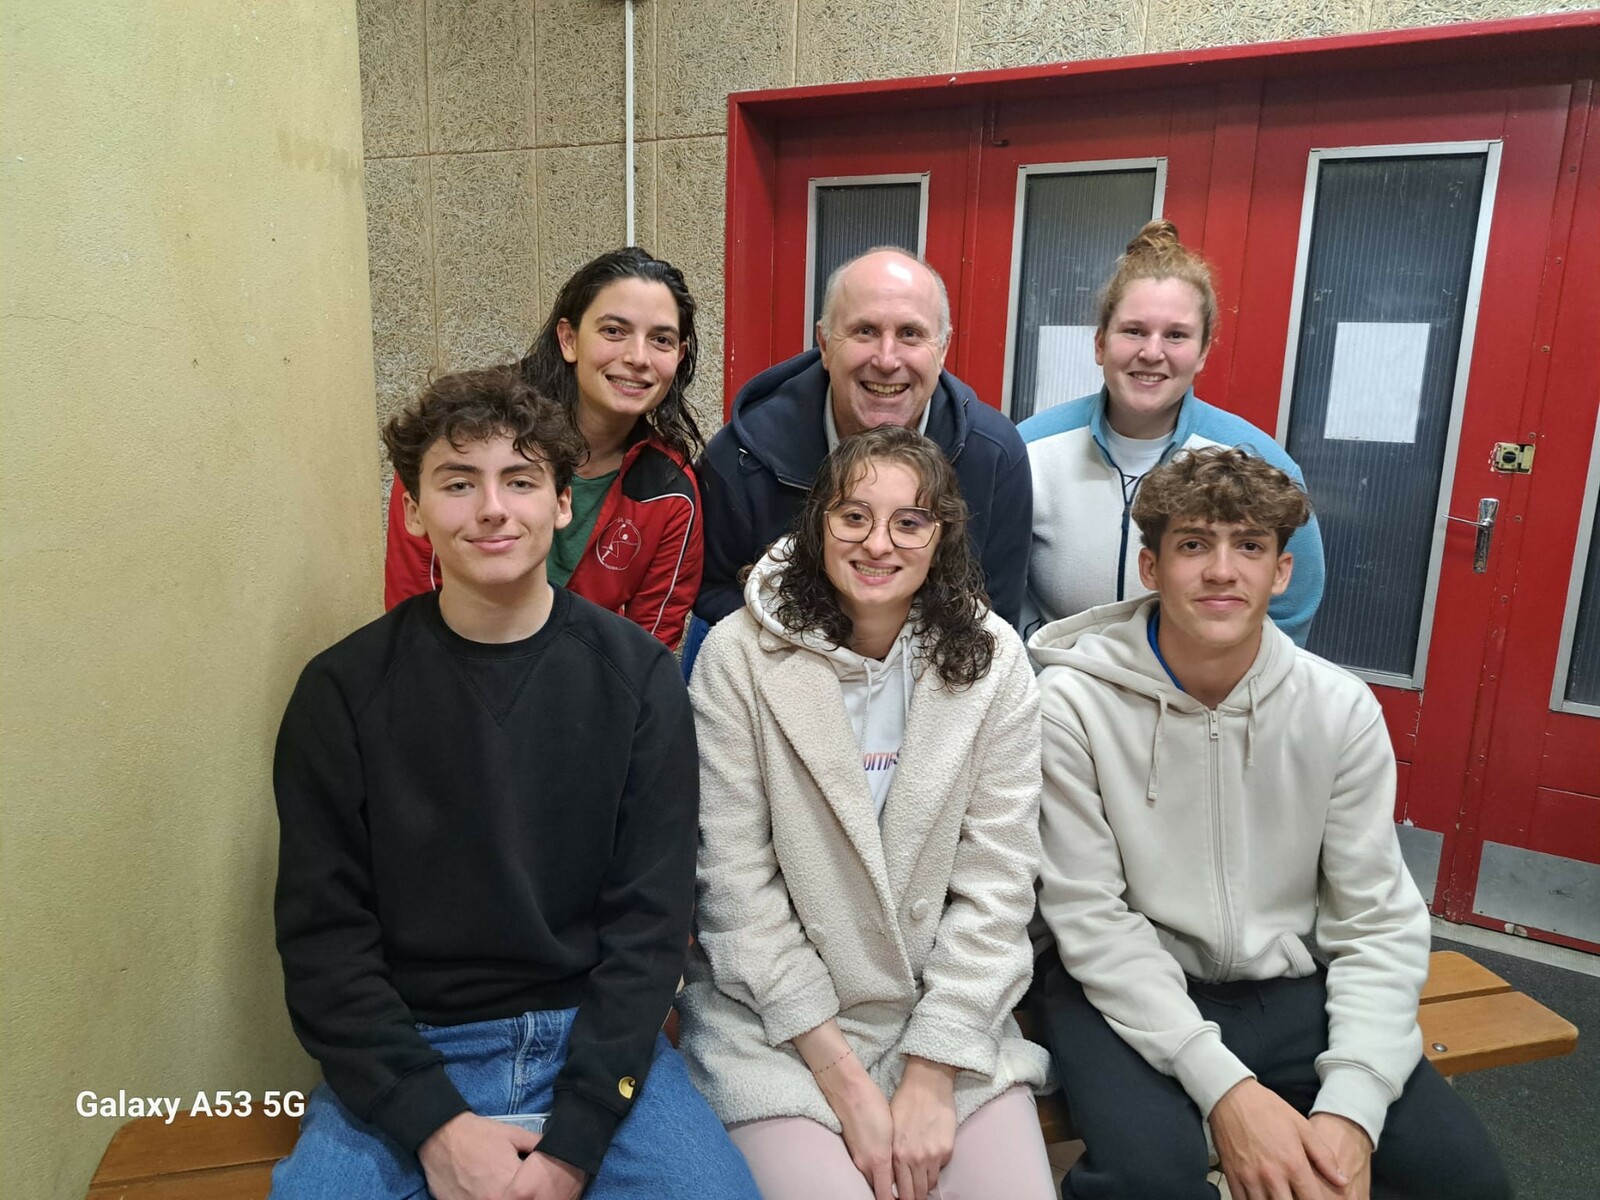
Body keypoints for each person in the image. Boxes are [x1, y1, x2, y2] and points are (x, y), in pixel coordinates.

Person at [271, 367, 758, 1200]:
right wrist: (434, 1125)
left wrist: (575, 1144)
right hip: (414, 1044)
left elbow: (650, 925)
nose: (493, 508)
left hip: (591, 1039)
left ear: (562, 504)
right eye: (459, 483)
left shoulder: (640, 679)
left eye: (521, 481)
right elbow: (324, 941)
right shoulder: (342, 692)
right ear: (414, 510)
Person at [1028, 446, 1509, 1200]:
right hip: (1121, 986)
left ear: (1281, 572)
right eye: (1194, 545)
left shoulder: (1339, 709)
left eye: (1249, 546)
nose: (1222, 571)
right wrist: (1229, 1094)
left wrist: (1351, 1109)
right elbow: (1089, 918)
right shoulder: (1071, 707)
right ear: (1151, 567)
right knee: (1150, 1180)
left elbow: (1375, 921)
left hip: (1289, 983)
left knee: (1464, 1183)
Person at [679, 425, 1054, 1200]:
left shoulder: (995, 663)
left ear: (941, 536)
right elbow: (735, 894)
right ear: (818, 523)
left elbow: (998, 887)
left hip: (943, 1014)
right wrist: (846, 1085)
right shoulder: (737, 658)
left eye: (909, 522)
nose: (878, 543)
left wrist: (933, 1068)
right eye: (853, 516)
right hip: (778, 1028)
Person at [1016, 220, 1325, 645]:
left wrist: (1227, 681)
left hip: (1200, 684)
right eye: (1134, 331)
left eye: (1176, 335)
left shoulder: (1257, 463)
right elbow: (992, 586)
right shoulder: (1027, 451)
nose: (1152, 352)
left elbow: (1290, 609)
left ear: (1202, 353)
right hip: (1056, 680)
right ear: (1100, 343)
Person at [695, 247, 1033, 630]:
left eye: (910, 334)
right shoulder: (741, 458)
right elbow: (714, 591)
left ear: (942, 349)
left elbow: (994, 616)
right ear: (824, 344)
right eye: (865, 331)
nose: (887, 360)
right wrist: (819, 649)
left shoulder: (995, 457)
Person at [385, 247, 705, 650]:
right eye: (613, 331)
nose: (638, 357)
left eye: (660, 339)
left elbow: (646, 652)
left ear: (678, 356)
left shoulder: (669, 492)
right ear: (569, 339)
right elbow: (414, 606)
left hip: (585, 682)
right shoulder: (457, 442)